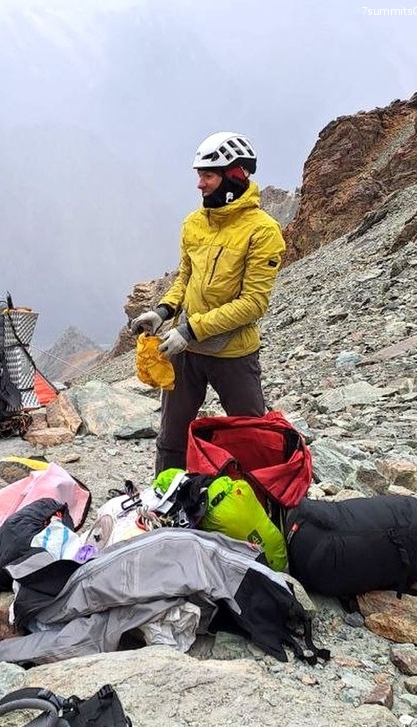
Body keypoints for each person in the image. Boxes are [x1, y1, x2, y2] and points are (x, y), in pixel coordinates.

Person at [131, 131, 286, 474]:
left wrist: (190, 330)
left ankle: (260, 498)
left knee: (253, 437)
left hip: (234, 353)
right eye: (199, 175)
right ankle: (166, 495)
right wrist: (163, 311)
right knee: (172, 438)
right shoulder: (194, 223)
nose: (199, 184)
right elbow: (185, 278)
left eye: (208, 176)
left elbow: (253, 303)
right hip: (186, 349)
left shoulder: (263, 231)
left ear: (234, 176)